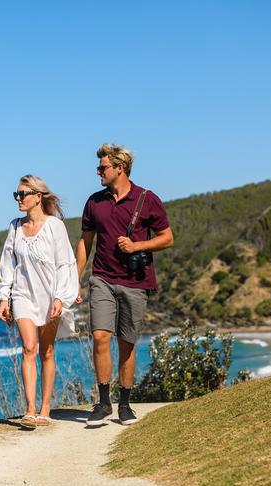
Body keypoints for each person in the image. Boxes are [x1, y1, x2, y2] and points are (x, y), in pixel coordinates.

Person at [76, 143, 174, 426]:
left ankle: (126, 404)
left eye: (102, 167)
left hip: (135, 281)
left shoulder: (148, 199)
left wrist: (137, 246)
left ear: (120, 168)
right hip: (102, 278)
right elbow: (85, 242)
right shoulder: (94, 202)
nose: (98, 172)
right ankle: (104, 402)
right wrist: (75, 278)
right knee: (100, 337)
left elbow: (167, 238)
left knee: (127, 343)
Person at [0, 174, 79, 429]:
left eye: (23, 194)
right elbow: (8, 265)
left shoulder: (55, 226)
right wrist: (4, 297)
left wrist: (61, 297)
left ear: (38, 196)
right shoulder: (15, 227)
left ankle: (45, 408)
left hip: (49, 295)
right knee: (29, 348)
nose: (18, 199)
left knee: (47, 351)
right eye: (16, 195)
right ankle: (29, 410)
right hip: (22, 296)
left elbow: (65, 264)